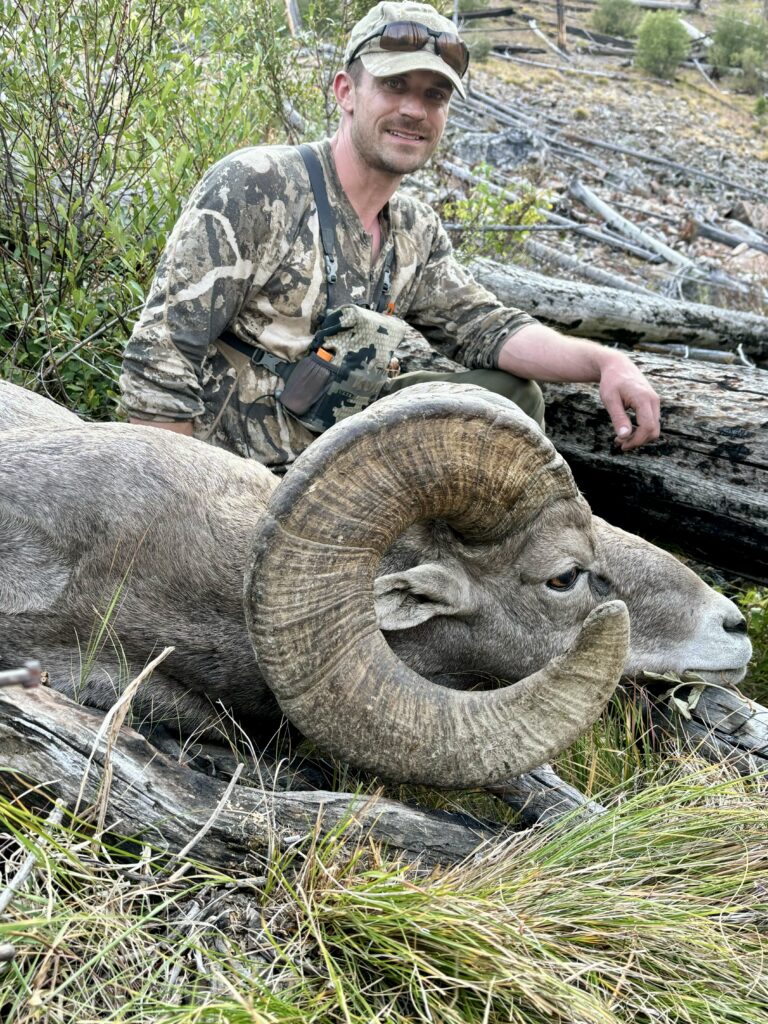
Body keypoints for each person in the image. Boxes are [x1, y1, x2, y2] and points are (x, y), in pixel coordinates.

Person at [121, 0, 660, 471]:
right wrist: (181, 511)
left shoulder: (414, 227)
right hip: (230, 478)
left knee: (511, 397)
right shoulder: (258, 187)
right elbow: (160, 356)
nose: (413, 110)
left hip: (348, 478)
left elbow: (487, 327)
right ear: (345, 92)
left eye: (434, 96)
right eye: (394, 85)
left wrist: (606, 362)